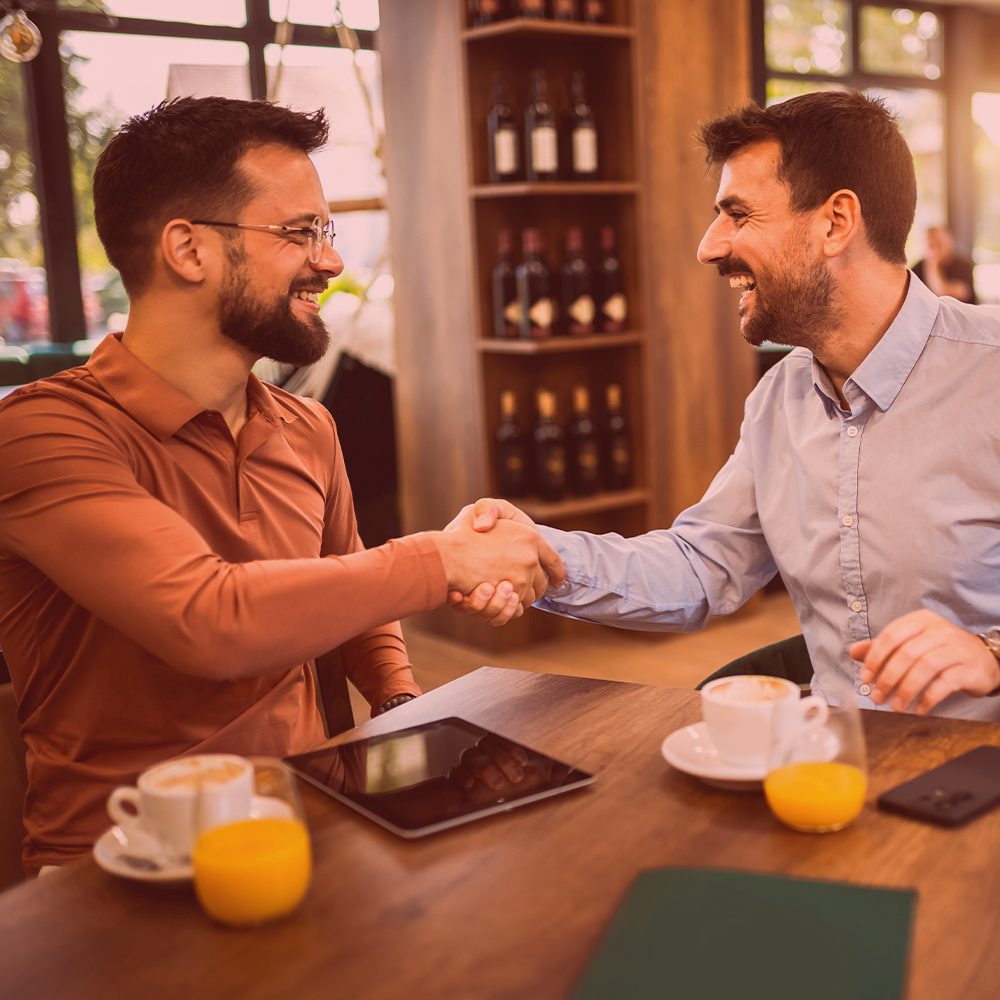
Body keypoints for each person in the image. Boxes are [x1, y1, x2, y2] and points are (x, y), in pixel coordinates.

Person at [0, 96, 562, 875]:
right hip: (121, 870)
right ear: (188, 250)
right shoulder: (42, 434)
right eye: (300, 233)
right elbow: (208, 619)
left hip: (316, 823)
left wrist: (403, 703)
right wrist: (441, 560)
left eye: (324, 233)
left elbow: (356, 608)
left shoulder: (308, 427)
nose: (330, 263)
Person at [452, 90, 1000, 723]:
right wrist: (539, 553)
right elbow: (701, 568)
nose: (708, 247)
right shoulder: (779, 400)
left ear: (835, 222)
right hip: (835, 764)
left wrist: (990, 654)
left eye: (738, 214)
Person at [912, 225, 978, 304]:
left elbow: (944, 293)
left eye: (938, 244)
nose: (935, 250)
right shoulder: (918, 267)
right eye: (931, 245)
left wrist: (933, 265)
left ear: (949, 243)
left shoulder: (963, 265)